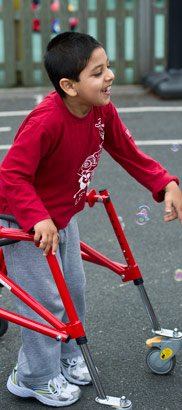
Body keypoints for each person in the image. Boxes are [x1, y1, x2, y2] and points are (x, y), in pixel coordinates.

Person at [0, 32, 182, 407]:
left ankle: (65, 357)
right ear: (68, 86)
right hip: (23, 221)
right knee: (45, 300)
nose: (110, 76)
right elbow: (11, 175)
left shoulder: (100, 110)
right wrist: (36, 218)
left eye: (108, 67)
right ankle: (33, 376)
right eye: (98, 72)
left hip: (60, 216)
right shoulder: (45, 121)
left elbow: (128, 152)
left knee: (74, 290)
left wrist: (164, 183)